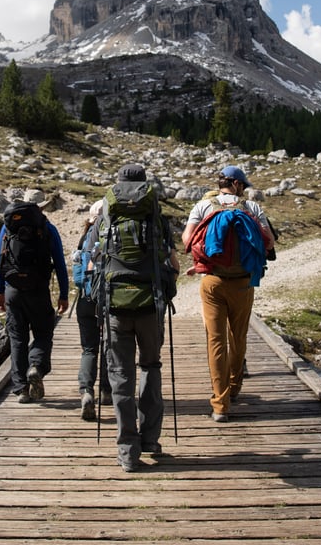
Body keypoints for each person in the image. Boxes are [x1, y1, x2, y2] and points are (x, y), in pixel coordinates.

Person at [96, 163, 180, 472]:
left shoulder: (107, 213)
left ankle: (127, 452)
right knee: (151, 367)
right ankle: (151, 439)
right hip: (150, 305)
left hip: (115, 307)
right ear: (145, 185)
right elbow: (172, 262)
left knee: (121, 377)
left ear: (117, 184)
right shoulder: (156, 216)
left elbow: (95, 260)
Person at [181, 165, 275, 423]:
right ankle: (234, 388)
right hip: (243, 282)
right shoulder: (251, 209)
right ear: (237, 185)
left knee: (216, 340)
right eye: (243, 185)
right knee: (239, 336)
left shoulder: (202, 207)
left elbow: (186, 240)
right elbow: (269, 243)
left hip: (212, 281)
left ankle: (220, 404)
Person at [0, 200, 70, 403]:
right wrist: (64, 293)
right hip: (38, 290)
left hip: (13, 290)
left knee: (17, 338)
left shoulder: (7, 227)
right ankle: (36, 365)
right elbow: (60, 263)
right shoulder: (47, 228)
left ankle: (21, 389)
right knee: (43, 333)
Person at [71, 199, 110, 421]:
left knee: (88, 348)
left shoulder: (83, 239)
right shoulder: (109, 233)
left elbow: (78, 275)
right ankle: (106, 391)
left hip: (85, 299)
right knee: (108, 345)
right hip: (106, 297)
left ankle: (86, 391)